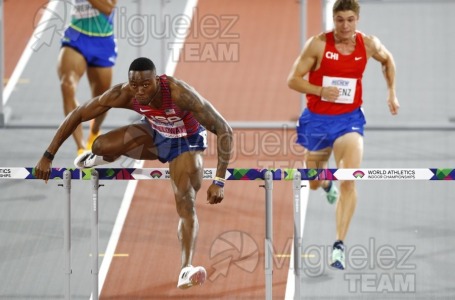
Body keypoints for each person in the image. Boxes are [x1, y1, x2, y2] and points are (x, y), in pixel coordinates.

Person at [34, 57, 233, 289]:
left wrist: (219, 180)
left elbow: (224, 129)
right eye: (135, 85)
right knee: (100, 146)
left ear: (157, 80)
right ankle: (101, 158)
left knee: (185, 202)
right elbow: (78, 114)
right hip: (154, 134)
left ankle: (185, 269)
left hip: (185, 143)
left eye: (146, 85)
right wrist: (48, 155)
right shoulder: (125, 93)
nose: (139, 91)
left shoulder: (180, 93)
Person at [287, 0, 399, 270]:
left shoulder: (368, 44)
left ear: (357, 20)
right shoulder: (317, 44)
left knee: (349, 179)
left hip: (349, 121)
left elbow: (387, 60)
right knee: (312, 180)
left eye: (350, 20)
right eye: (339, 20)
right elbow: (293, 79)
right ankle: (325, 185)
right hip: (317, 120)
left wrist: (391, 91)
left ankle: (339, 245)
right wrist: (320, 91)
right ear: (333, 19)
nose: (345, 25)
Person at [58, 0, 117, 155]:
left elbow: (108, 7)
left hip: (102, 40)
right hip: (76, 36)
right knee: (67, 85)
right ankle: (81, 148)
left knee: (103, 100)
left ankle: (95, 130)